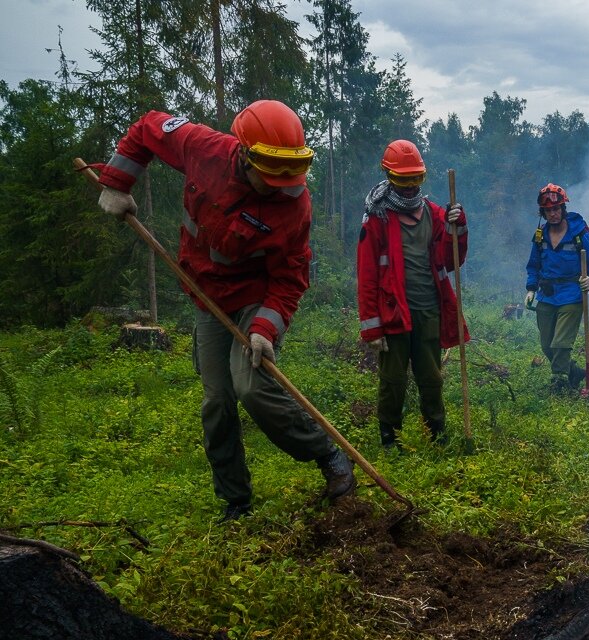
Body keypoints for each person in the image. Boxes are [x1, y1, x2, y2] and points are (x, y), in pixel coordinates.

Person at [96, 100, 356, 522]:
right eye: (269, 174)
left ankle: (326, 454)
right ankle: (236, 500)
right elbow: (147, 128)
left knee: (251, 387)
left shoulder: (295, 203)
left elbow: (291, 277)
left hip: (256, 298)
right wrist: (117, 182)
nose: (278, 185)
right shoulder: (202, 147)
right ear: (245, 153)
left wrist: (265, 328)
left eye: (287, 173)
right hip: (208, 296)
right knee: (217, 400)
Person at [356, 139, 468, 450]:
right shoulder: (377, 218)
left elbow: (451, 260)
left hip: (429, 310)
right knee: (393, 380)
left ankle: (437, 434)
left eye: (415, 179)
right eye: (403, 180)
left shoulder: (435, 214)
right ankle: (390, 439)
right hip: (393, 314)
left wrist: (458, 228)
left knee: (431, 378)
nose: (409, 187)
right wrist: (372, 328)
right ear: (389, 177)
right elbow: (366, 275)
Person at [524, 183, 589, 394]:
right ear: (543, 212)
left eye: (556, 209)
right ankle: (574, 373)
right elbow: (533, 265)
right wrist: (531, 288)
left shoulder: (578, 233)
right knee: (547, 345)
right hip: (547, 295)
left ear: (563, 208)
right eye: (548, 210)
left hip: (572, 294)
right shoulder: (540, 236)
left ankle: (559, 384)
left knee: (560, 343)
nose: (553, 214)